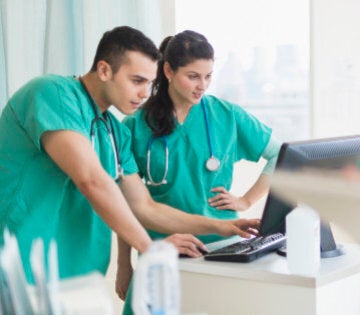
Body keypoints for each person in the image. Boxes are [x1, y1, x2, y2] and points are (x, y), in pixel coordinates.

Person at [0, 26, 259, 284]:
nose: (145, 93)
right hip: (18, 271)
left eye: (149, 82)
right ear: (104, 70)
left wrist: (221, 226)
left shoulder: (115, 133)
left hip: (77, 277)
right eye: (137, 81)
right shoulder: (52, 94)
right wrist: (150, 247)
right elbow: (91, 180)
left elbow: (143, 207)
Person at [117, 30, 280, 301]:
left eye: (207, 76)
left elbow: (279, 155)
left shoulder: (227, 115)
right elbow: (124, 204)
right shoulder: (135, 126)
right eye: (192, 76)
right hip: (163, 249)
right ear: (167, 70)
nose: (201, 86)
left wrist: (245, 200)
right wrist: (124, 264)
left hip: (223, 248)